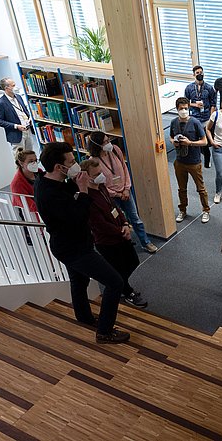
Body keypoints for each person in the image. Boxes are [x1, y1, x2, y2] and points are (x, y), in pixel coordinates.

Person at [34, 142, 130, 344]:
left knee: (79, 281)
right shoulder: (50, 194)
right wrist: (84, 190)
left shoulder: (50, 182)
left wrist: (77, 184)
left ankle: (84, 316)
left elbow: (70, 197)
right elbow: (78, 216)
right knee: (114, 282)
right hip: (74, 249)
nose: (76, 164)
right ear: (59, 167)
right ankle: (104, 331)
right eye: (71, 162)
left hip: (71, 244)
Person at [79, 159, 148, 309]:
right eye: (97, 174)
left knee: (132, 261)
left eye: (101, 173)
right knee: (118, 268)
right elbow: (99, 225)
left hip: (121, 233)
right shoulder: (87, 197)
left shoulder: (102, 187)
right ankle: (127, 291)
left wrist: (125, 224)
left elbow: (114, 206)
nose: (101, 176)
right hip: (107, 241)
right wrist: (122, 231)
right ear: (87, 177)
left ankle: (120, 287)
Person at [87, 132, 157, 253]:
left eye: (108, 140)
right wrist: (117, 194)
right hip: (111, 197)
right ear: (98, 145)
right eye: (105, 142)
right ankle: (126, 244)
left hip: (125, 191)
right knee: (117, 222)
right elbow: (99, 185)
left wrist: (126, 189)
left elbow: (125, 169)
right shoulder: (93, 161)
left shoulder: (115, 150)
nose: (109, 143)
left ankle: (146, 243)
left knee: (135, 219)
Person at [170, 97, 211, 224]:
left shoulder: (195, 122)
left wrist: (190, 143)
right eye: (181, 109)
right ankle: (182, 210)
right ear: (177, 109)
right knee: (181, 189)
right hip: (179, 161)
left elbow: (204, 142)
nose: (183, 111)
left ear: (189, 108)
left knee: (201, 189)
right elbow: (171, 137)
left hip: (194, 162)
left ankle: (205, 210)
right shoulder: (173, 122)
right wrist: (174, 142)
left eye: (186, 108)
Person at [184, 65, 217, 168]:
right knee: (195, 139)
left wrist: (211, 117)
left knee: (206, 142)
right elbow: (185, 103)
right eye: (197, 73)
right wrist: (195, 105)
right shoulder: (189, 88)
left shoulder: (209, 88)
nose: (200, 74)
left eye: (201, 72)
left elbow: (213, 103)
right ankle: (196, 159)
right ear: (194, 75)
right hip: (194, 117)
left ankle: (207, 160)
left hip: (206, 117)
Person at [0, 77, 34, 155]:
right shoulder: (0, 103)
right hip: (16, 134)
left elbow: (25, 110)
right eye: (13, 85)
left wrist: (30, 118)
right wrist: (15, 126)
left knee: (30, 155)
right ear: (6, 88)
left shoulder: (18, 97)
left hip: (27, 130)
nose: (15, 87)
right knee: (19, 158)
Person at [10, 148, 41, 218]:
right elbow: (28, 205)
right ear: (21, 163)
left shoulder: (39, 172)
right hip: (31, 215)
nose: (34, 163)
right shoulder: (17, 184)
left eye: (36, 160)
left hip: (42, 208)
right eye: (31, 161)